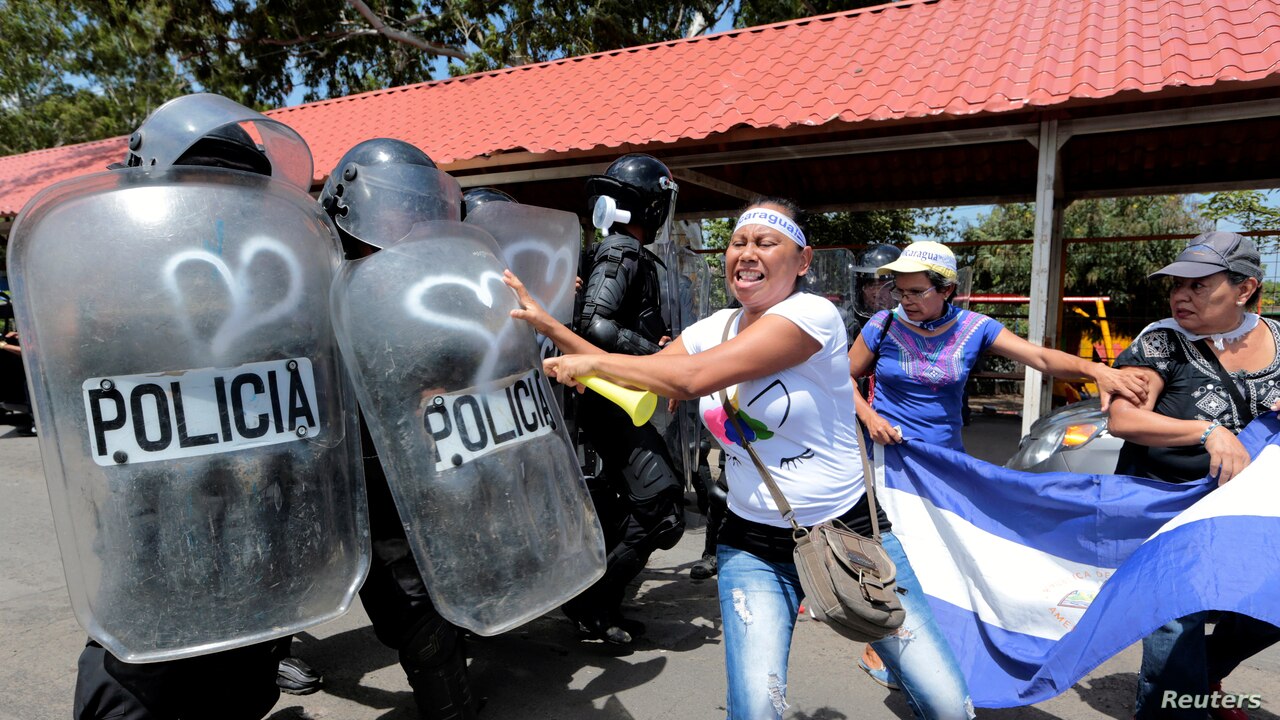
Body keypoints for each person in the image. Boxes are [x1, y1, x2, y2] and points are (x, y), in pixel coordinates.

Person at [507, 197, 971, 720]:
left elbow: (690, 380)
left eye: (765, 243)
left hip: (847, 533)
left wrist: (590, 358)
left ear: (802, 261)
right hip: (750, 544)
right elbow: (637, 374)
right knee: (755, 709)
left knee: (946, 704)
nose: (747, 253)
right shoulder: (715, 329)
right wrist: (550, 327)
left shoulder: (812, 316)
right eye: (738, 242)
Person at [70, 100, 337, 720]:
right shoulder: (110, 279)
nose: (220, 203)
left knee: (240, 685)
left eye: (238, 187)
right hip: (153, 540)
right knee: (136, 686)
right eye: (204, 180)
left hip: (255, 531)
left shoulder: (282, 280)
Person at [846, 240, 1149, 694]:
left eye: (915, 291)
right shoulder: (882, 325)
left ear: (945, 289)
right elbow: (843, 377)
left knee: (942, 555)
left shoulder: (975, 327)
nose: (903, 299)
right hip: (888, 460)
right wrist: (870, 417)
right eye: (898, 289)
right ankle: (888, 641)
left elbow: (1041, 358)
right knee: (895, 554)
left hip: (946, 463)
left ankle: (931, 640)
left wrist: (1097, 371)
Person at [319, 138, 479, 720]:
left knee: (437, 595)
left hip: (426, 463)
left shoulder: (426, 281)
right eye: (390, 209)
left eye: (410, 209)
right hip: (353, 469)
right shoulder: (317, 283)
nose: (402, 223)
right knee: (412, 606)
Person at [1106, 231, 1280, 720]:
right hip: (1167, 502)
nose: (1180, 296)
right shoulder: (1162, 341)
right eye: (1176, 285)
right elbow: (1123, 420)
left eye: (1199, 285)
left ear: (1244, 289)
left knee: (1267, 602)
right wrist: (1208, 431)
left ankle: (1203, 675)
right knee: (1176, 617)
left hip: (1243, 506)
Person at [564, 153, 685, 644]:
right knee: (658, 508)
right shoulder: (622, 251)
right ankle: (591, 608)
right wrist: (656, 357)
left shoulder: (620, 251)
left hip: (617, 399)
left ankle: (590, 603)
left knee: (643, 508)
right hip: (610, 401)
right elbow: (594, 324)